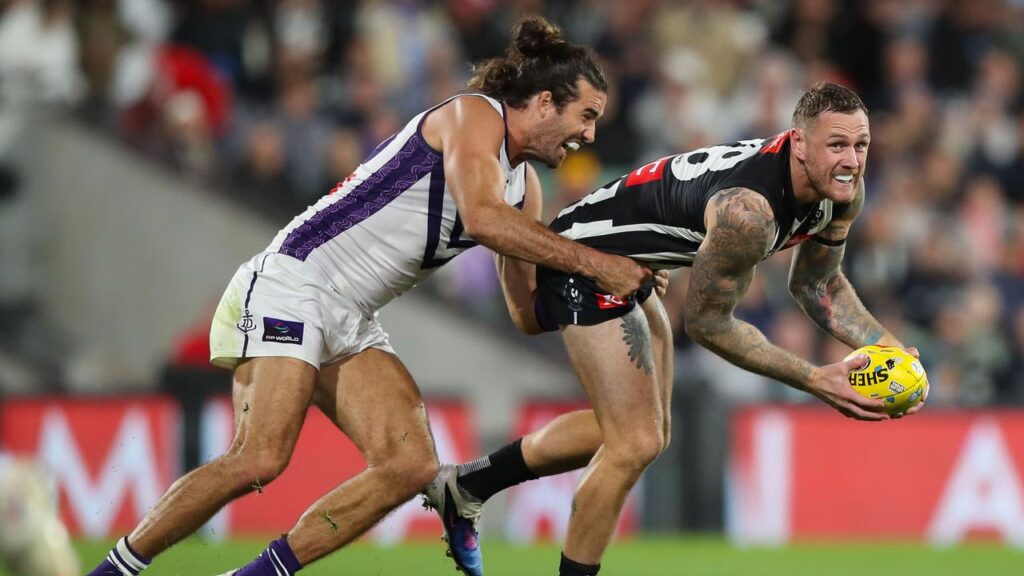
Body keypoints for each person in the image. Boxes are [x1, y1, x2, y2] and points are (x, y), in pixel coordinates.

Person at [84, 16, 651, 576]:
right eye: (587, 115)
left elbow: (526, 313)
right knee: (259, 457)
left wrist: (612, 290)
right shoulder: (475, 116)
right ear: (546, 101)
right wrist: (597, 263)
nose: (591, 135)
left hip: (352, 316)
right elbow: (480, 219)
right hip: (297, 281)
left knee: (410, 465)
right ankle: (114, 572)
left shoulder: (524, 188)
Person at [424, 82, 925, 576]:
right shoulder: (746, 214)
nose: (852, 160)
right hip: (586, 263)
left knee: (647, 435)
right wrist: (816, 379)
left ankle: (468, 486)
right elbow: (707, 325)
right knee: (632, 444)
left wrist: (891, 349)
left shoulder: (842, 192)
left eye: (861, 145)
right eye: (836, 145)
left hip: (631, 270)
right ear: (798, 143)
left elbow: (819, 285)